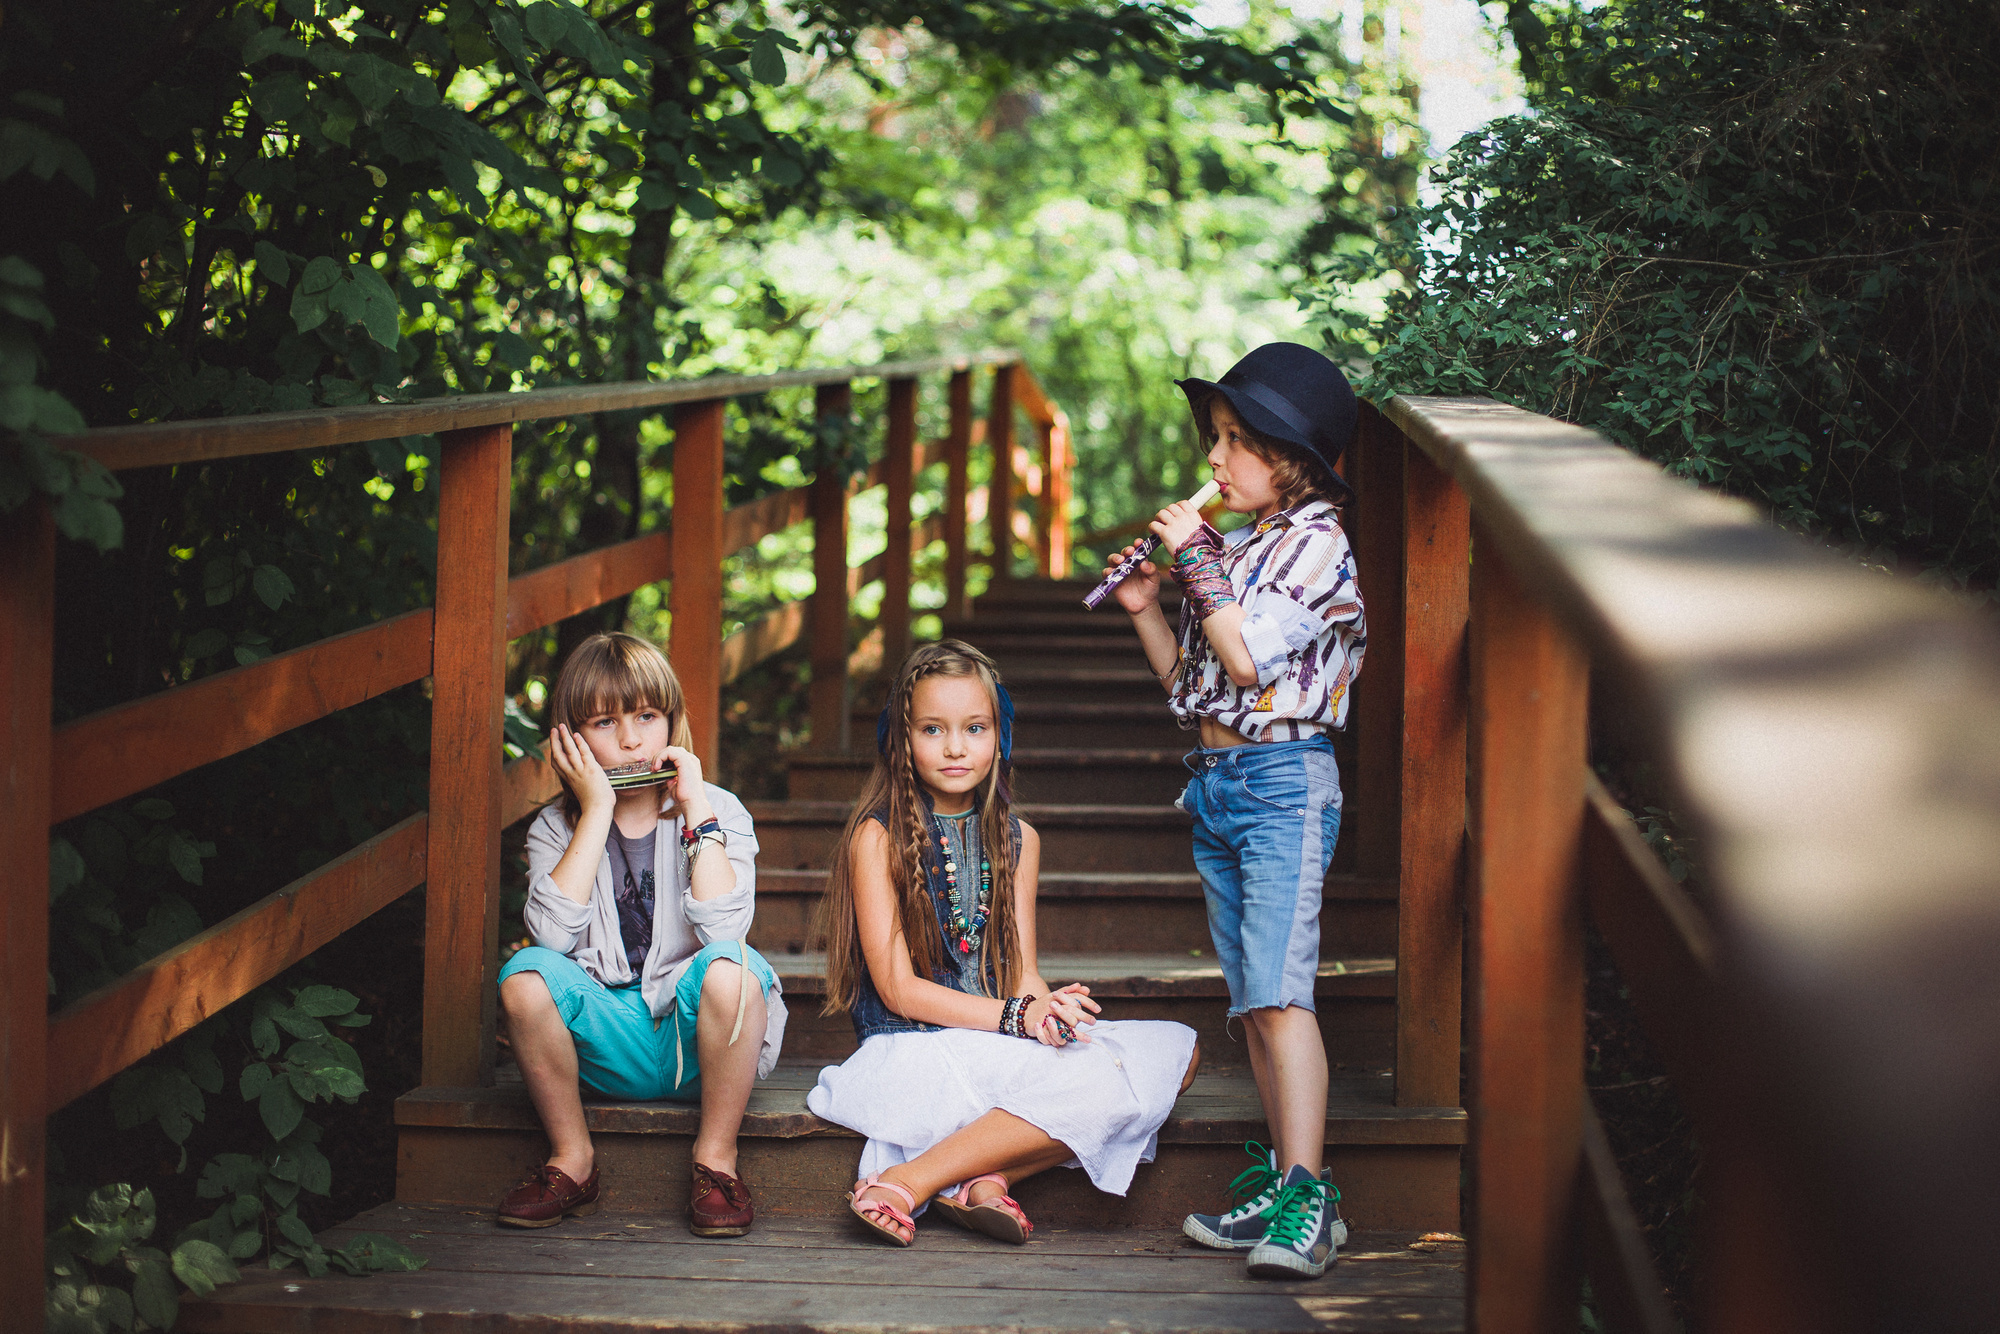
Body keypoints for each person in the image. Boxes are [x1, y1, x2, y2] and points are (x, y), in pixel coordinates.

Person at [1103, 342, 1366, 1279]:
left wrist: (1197, 557)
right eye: (1214, 438)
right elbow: (1198, 688)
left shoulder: (1317, 545)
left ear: (1287, 457)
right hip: (1218, 783)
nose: (1212, 461)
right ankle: (1287, 1186)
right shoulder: (1246, 545)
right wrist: (1144, 605)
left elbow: (1251, 657)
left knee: (1282, 997)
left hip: (1286, 783)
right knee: (1252, 1004)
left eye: (1231, 441)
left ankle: (1312, 1200)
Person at [806, 640, 1201, 1247]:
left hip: (995, 1041)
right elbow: (900, 990)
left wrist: (1052, 1013)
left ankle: (982, 1175)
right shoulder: (877, 836)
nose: (957, 747)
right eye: (933, 729)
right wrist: (1019, 1017)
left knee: (1177, 1051)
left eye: (975, 728)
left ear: (1001, 736)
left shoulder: (1020, 840)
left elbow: (1021, 972)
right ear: (901, 739)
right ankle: (906, 1183)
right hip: (910, 1052)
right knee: (1105, 1083)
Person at [494, 632, 785, 1237]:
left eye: (647, 716)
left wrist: (695, 807)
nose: (630, 739)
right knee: (522, 979)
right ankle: (573, 1160)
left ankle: (717, 1162)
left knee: (733, 965)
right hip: (607, 1046)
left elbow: (727, 929)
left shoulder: (718, 810)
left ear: (671, 722)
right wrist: (596, 810)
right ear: (571, 738)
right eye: (605, 722)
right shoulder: (555, 827)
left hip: (698, 1046)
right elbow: (549, 937)